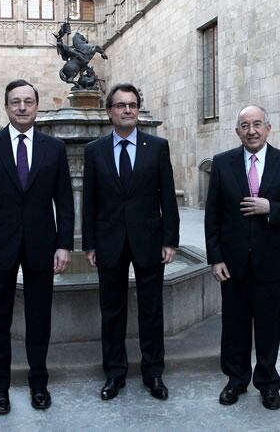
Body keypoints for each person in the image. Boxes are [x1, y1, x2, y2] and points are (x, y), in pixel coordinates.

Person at [0, 79, 74, 415]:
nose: (23, 107)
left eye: (28, 101)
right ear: (7, 106)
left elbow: (65, 202)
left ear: (37, 106)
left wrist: (64, 245)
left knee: (39, 319)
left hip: (42, 245)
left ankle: (38, 384)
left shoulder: (54, 149)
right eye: (16, 102)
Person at [205, 105, 280, 410]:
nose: (251, 130)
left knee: (267, 327)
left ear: (268, 127)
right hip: (232, 263)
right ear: (237, 130)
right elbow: (213, 216)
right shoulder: (222, 164)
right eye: (244, 125)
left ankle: (267, 384)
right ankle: (236, 380)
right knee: (234, 325)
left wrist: (271, 208)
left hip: (270, 261)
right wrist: (216, 258)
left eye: (257, 124)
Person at [82, 83, 179, 401]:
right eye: (121, 105)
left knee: (151, 310)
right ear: (109, 111)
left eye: (133, 105)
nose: (127, 110)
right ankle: (114, 374)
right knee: (112, 311)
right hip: (109, 242)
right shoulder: (94, 150)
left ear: (138, 110)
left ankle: (154, 373)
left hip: (149, 240)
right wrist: (90, 244)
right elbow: (90, 202)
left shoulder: (157, 147)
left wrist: (170, 240)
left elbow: (167, 196)